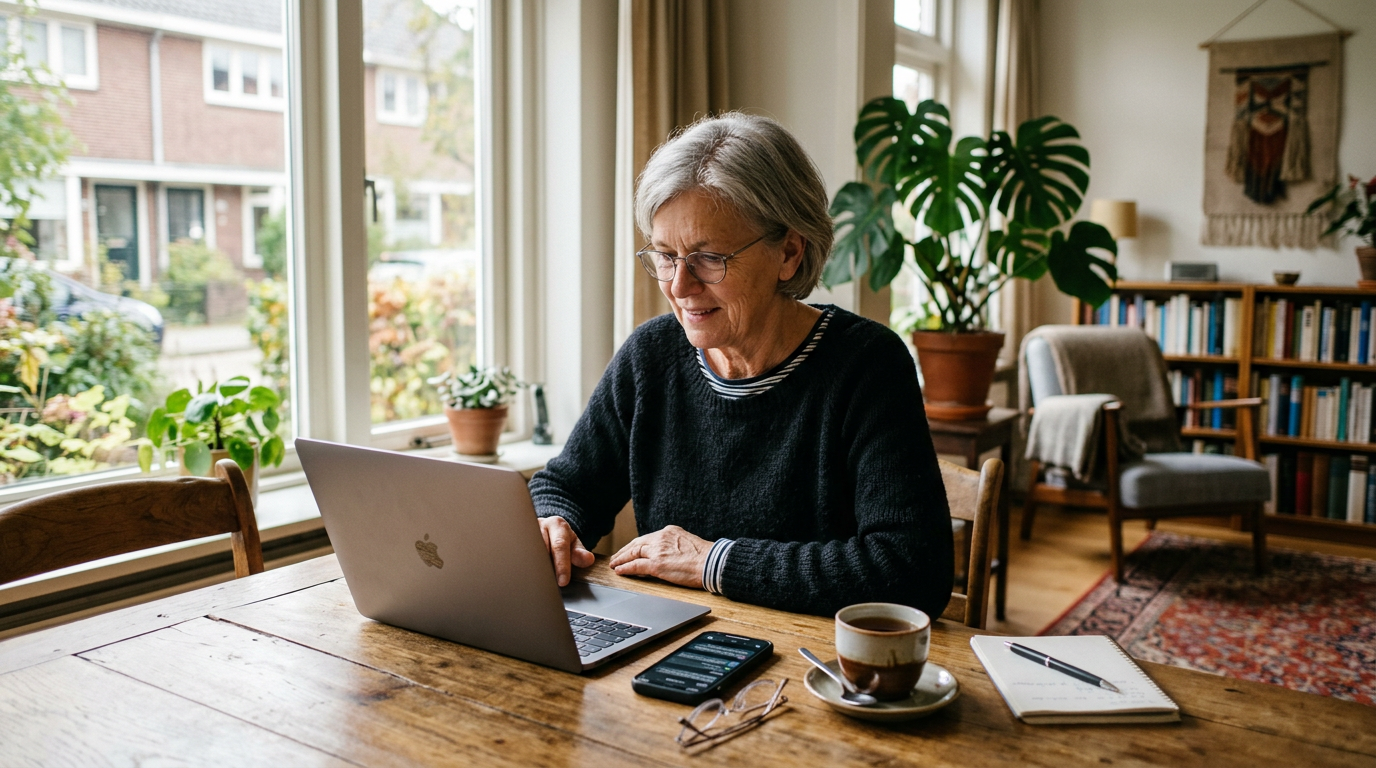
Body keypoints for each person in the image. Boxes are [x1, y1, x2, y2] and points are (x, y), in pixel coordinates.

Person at [528, 113, 953, 618]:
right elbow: (565, 485)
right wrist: (554, 521)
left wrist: (715, 562)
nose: (679, 286)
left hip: (811, 665)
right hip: (666, 647)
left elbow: (912, 571)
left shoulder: (867, 366)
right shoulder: (652, 355)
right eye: (665, 256)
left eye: (708, 258)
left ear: (789, 253)